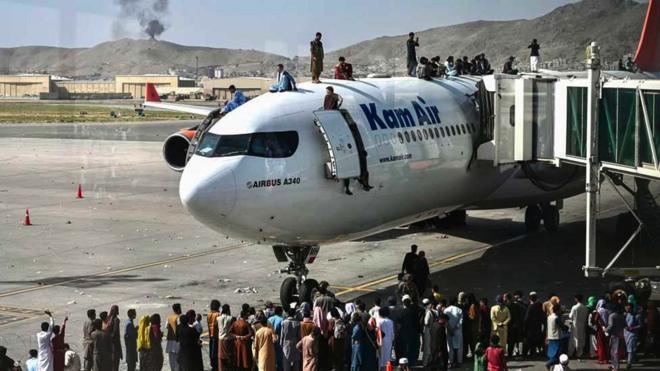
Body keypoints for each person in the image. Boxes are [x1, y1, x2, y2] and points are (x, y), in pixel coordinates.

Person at [398, 296, 420, 365]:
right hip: (413, 332)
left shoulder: (401, 312)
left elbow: (399, 323)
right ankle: (412, 360)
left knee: (405, 347)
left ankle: (405, 360)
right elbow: (417, 322)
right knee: (412, 347)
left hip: (404, 332)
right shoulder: (414, 312)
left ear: (404, 303)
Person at [523, 292, 545, 357]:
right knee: (535, 341)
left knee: (528, 341)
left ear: (530, 299)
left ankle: (525, 355)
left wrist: (524, 328)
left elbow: (526, 319)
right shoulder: (540, 306)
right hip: (537, 326)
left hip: (530, 328)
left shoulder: (530, 307)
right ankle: (533, 353)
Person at [568, 294, 589, 359]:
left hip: (575, 326)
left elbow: (570, 316)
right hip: (582, 325)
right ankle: (579, 354)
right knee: (581, 339)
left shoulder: (574, 307)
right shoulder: (585, 308)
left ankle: (570, 353)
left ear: (576, 299)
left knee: (573, 340)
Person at [444, 298, 464, 367]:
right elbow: (460, 322)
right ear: (455, 302)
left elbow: (445, 321)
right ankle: (459, 361)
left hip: (449, 331)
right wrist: (454, 328)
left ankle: (451, 361)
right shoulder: (459, 310)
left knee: (450, 347)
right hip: (457, 331)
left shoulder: (446, 310)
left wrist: (450, 329)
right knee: (459, 347)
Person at [606, 305, 626, 371]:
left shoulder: (612, 316)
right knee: (616, 351)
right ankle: (614, 366)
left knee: (614, 352)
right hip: (621, 335)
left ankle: (616, 367)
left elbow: (611, 326)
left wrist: (606, 330)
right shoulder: (622, 316)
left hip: (614, 335)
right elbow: (625, 325)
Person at [546, 304, 564, 369]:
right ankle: (549, 363)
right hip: (557, 337)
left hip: (550, 336)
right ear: (558, 310)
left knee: (552, 353)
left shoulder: (549, 317)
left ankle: (552, 366)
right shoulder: (556, 318)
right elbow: (563, 327)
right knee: (558, 353)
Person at [376, 307, 394, 371]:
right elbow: (392, 333)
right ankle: (387, 368)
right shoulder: (390, 321)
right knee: (388, 355)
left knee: (380, 355)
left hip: (381, 340)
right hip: (389, 340)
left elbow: (377, 332)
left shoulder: (379, 321)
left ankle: (380, 367)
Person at [267, 306, 284, 371]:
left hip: (270, 338)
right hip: (278, 338)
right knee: (279, 357)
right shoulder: (282, 319)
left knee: (271, 356)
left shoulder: (269, 319)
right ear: (280, 312)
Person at [624, 302, 640, 368]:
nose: (627, 309)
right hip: (625, 334)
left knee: (630, 348)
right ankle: (634, 358)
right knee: (630, 348)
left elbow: (640, 325)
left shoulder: (637, 315)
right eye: (626, 308)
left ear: (631, 308)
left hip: (632, 334)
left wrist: (632, 328)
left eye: (628, 308)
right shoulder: (625, 314)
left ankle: (629, 363)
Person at [421, 299, 437, 368]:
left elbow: (426, 322)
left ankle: (425, 363)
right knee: (431, 346)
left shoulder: (428, 312)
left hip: (427, 330)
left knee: (426, 347)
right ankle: (431, 361)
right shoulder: (435, 311)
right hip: (433, 330)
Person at [106, 305, 122, 371]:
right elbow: (115, 332)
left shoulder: (108, 319)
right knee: (115, 363)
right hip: (115, 344)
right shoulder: (116, 320)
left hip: (108, 344)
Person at [218, 304, 233, 371]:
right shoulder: (231, 318)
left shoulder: (218, 318)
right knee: (228, 356)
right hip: (228, 339)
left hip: (221, 339)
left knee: (221, 357)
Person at [167, 303, 182, 371]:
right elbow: (180, 328)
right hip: (177, 341)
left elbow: (167, 327)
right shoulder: (179, 318)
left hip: (170, 341)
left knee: (171, 360)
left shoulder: (169, 317)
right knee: (178, 360)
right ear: (178, 309)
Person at [208, 300, 221, 371]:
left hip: (211, 335)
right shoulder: (218, 314)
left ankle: (212, 365)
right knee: (216, 352)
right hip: (217, 335)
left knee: (211, 351)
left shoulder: (209, 314)